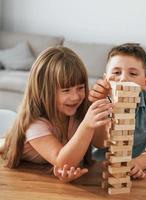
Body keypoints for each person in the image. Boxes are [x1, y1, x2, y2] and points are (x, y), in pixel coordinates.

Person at [1, 46, 113, 182]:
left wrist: (100, 105)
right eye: (66, 90)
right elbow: (63, 161)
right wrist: (87, 126)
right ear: (44, 91)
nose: (75, 97)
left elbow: (100, 143)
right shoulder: (34, 124)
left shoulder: (77, 113)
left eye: (80, 88)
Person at [89, 43, 146, 179]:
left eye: (133, 73)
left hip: (131, 173)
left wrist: (137, 163)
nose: (123, 78)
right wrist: (101, 104)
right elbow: (98, 143)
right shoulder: (100, 100)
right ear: (106, 78)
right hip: (97, 169)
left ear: (145, 82)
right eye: (116, 72)